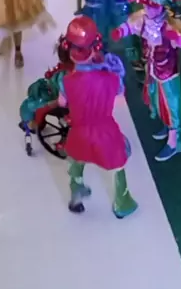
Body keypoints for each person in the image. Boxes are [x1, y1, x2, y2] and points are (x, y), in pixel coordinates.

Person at [56, 15, 137, 217]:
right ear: (96, 48)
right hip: (105, 131)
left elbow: (62, 103)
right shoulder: (110, 77)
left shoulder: (65, 80)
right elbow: (119, 93)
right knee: (118, 164)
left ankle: (76, 195)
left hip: (79, 131)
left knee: (77, 160)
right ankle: (122, 203)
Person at [112, 0, 181, 161]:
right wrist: (120, 31)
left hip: (168, 74)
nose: (148, 10)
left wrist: (178, 40)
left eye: (151, 6)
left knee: (172, 104)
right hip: (152, 69)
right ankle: (166, 125)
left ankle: (174, 141)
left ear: (160, 7)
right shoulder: (144, 19)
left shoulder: (169, 25)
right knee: (157, 100)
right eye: (146, 6)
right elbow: (131, 26)